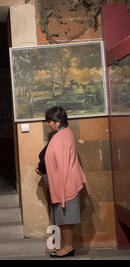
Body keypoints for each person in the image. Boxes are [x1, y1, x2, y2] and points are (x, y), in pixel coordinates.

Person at [35, 106, 87, 258]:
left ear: (57, 122)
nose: (47, 124)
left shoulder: (62, 137)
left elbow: (63, 164)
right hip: (62, 183)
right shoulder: (61, 134)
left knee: (66, 218)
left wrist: (61, 187)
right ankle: (65, 246)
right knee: (62, 218)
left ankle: (68, 247)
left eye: (49, 121)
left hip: (66, 183)